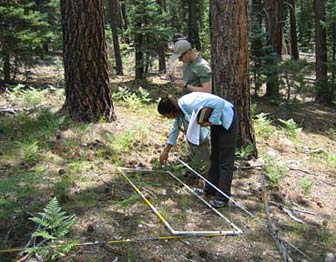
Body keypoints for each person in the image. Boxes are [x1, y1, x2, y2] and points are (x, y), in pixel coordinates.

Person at [158, 92, 238, 208]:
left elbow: (219, 102)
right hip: (217, 124)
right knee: (214, 157)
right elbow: (176, 128)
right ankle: (210, 189)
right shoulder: (181, 110)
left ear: (171, 111)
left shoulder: (189, 104)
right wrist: (166, 150)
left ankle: (222, 197)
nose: (167, 118)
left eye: (166, 115)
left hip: (227, 119)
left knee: (225, 161)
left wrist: (213, 121)